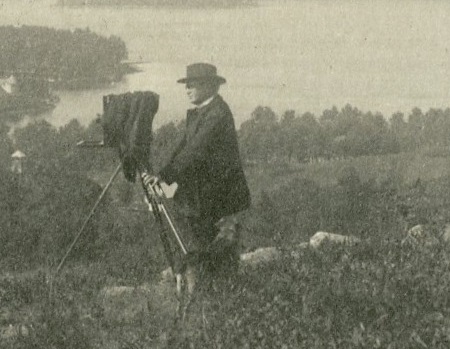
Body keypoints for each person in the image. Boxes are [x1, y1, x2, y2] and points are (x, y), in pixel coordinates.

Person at [149, 62, 250, 259]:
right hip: (207, 198)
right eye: (186, 85)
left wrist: (164, 176)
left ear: (208, 86)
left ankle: (210, 285)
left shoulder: (217, 114)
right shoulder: (203, 112)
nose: (187, 90)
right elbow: (182, 147)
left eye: (192, 84)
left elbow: (195, 151)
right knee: (204, 251)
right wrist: (161, 173)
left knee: (219, 254)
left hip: (223, 201)